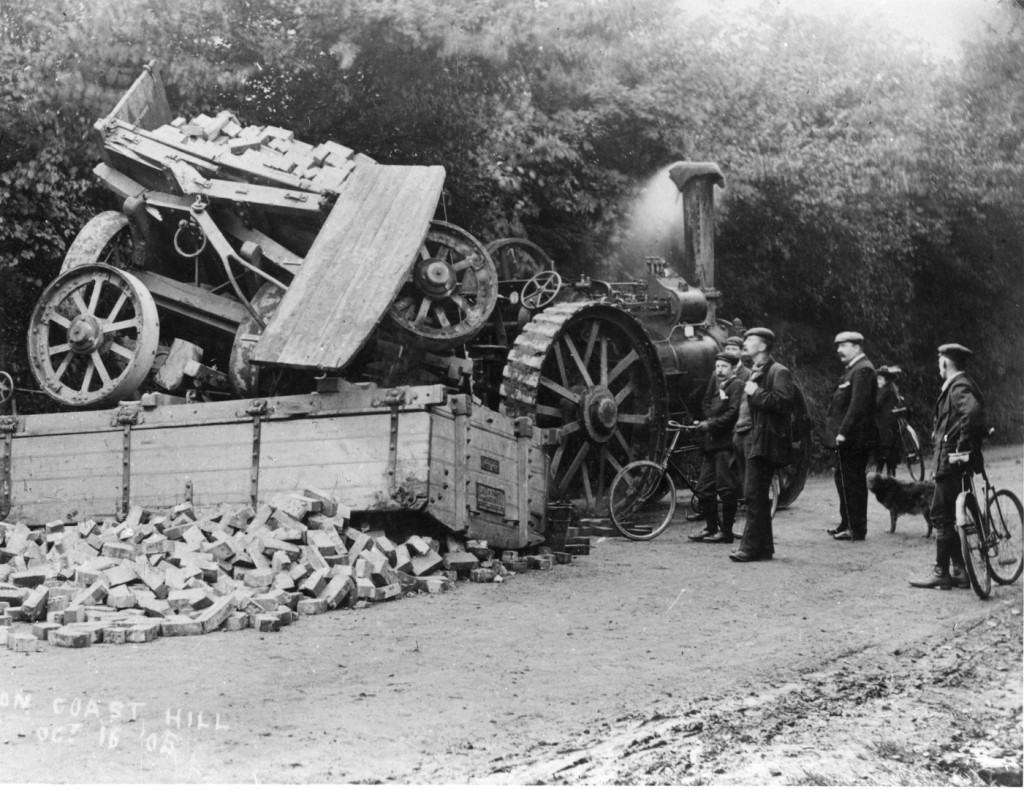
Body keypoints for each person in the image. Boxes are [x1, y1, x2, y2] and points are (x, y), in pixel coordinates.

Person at [910, 343, 985, 590]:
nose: (938, 365)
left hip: (951, 462)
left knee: (940, 515)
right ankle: (960, 572)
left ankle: (941, 572)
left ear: (945, 363)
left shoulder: (958, 386)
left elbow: (972, 412)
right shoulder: (961, 384)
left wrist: (961, 447)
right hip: (953, 460)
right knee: (951, 517)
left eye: (939, 360)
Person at [731, 327, 794, 562]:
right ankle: (764, 548)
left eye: (750, 339)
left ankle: (749, 547)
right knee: (754, 494)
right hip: (747, 439)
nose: (745, 342)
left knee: (754, 494)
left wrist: (756, 392)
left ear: (763, 345)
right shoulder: (753, 371)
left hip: (764, 441)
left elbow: (784, 402)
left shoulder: (779, 372)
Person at [823, 331, 877, 542]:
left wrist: (843, 433)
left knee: (852, 482)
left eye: (843, 346)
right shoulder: (853, 370)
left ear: (857, 347)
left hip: (855, 438)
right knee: (843, 480)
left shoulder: (863, 370)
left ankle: (856, 528)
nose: (839, 350)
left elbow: (857, 406)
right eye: (838, 346)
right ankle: (846, 524)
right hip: (848, 438)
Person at [688, 350, 744, 543]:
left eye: (724, 367)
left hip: (726, 445)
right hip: (711, 444)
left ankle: (726, 532)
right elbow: (705, 403)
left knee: (726, 489)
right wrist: (707, 419)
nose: (720, 370)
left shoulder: (737, 385)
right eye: (718, 366)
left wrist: (711, 424)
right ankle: (711, 528)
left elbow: (733, 412)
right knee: (703, 488)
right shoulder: (718, 384)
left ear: (733, 368)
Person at [874, 365, 901, 476]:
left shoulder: (885, 391)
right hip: (892, 423)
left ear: (886, 379)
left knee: (883, 448)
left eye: (880, 379)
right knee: (890, 449)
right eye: (877, 379)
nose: (878, 381)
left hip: (884, 424)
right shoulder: (892, 389)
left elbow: (877, 405)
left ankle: (879, 471)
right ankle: (890, 471)